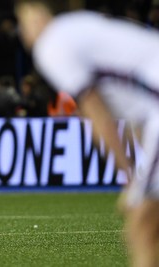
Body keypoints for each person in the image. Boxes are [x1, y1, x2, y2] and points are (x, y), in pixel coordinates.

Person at [14, 1, 159, 266]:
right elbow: (134, 110)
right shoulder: (80, 26)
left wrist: (130, 180)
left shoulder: (51, 45)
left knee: (141, 225)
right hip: (152, 108)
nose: (23, 33)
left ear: (38, 16)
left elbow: (97, 115)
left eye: (23, 22)